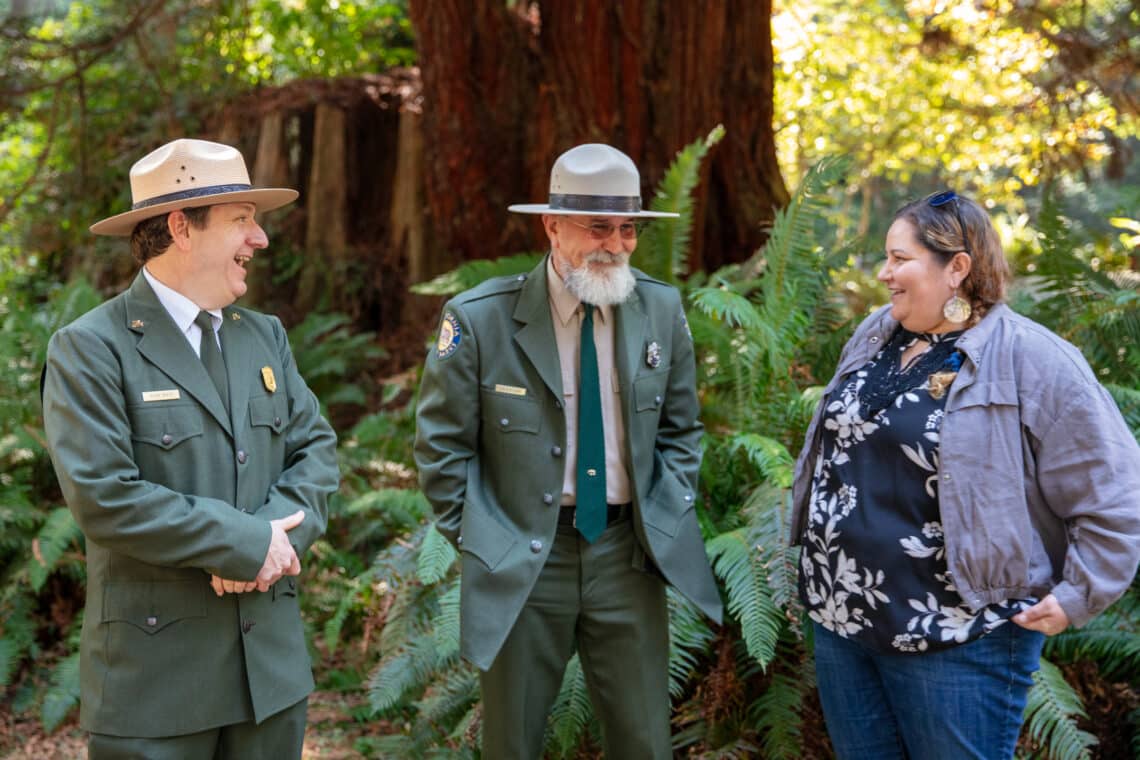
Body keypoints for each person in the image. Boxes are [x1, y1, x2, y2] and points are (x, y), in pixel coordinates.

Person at [789, 190, 1140, 759]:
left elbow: (1114, 485)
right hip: (843, 620)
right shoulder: (878, 333)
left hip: (957, 635)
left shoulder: (1033, 358)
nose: (884, 274)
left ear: (957, 267)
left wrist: (1082, 592)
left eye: (900, 259)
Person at [414, 143, 723, 758]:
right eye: (598, 226)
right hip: (525, 560)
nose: (617, 243)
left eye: (628, 228)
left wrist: (658, 518)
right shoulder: (480, 320)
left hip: (625, 557)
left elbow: (683, 431)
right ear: (552, 225)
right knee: (513, 743)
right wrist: (488, 541)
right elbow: (441, 450)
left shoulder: (660, 308)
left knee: (644, 743)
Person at [41, 138, 339, 759]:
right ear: (181, 227)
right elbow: (104, 497)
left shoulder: (265, 336)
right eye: (242, 219)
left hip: (270, 678)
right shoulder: (91, 347)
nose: (259, 239)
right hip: (156, 688)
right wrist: (243, 543)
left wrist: (272, 545)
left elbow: (316, 452)